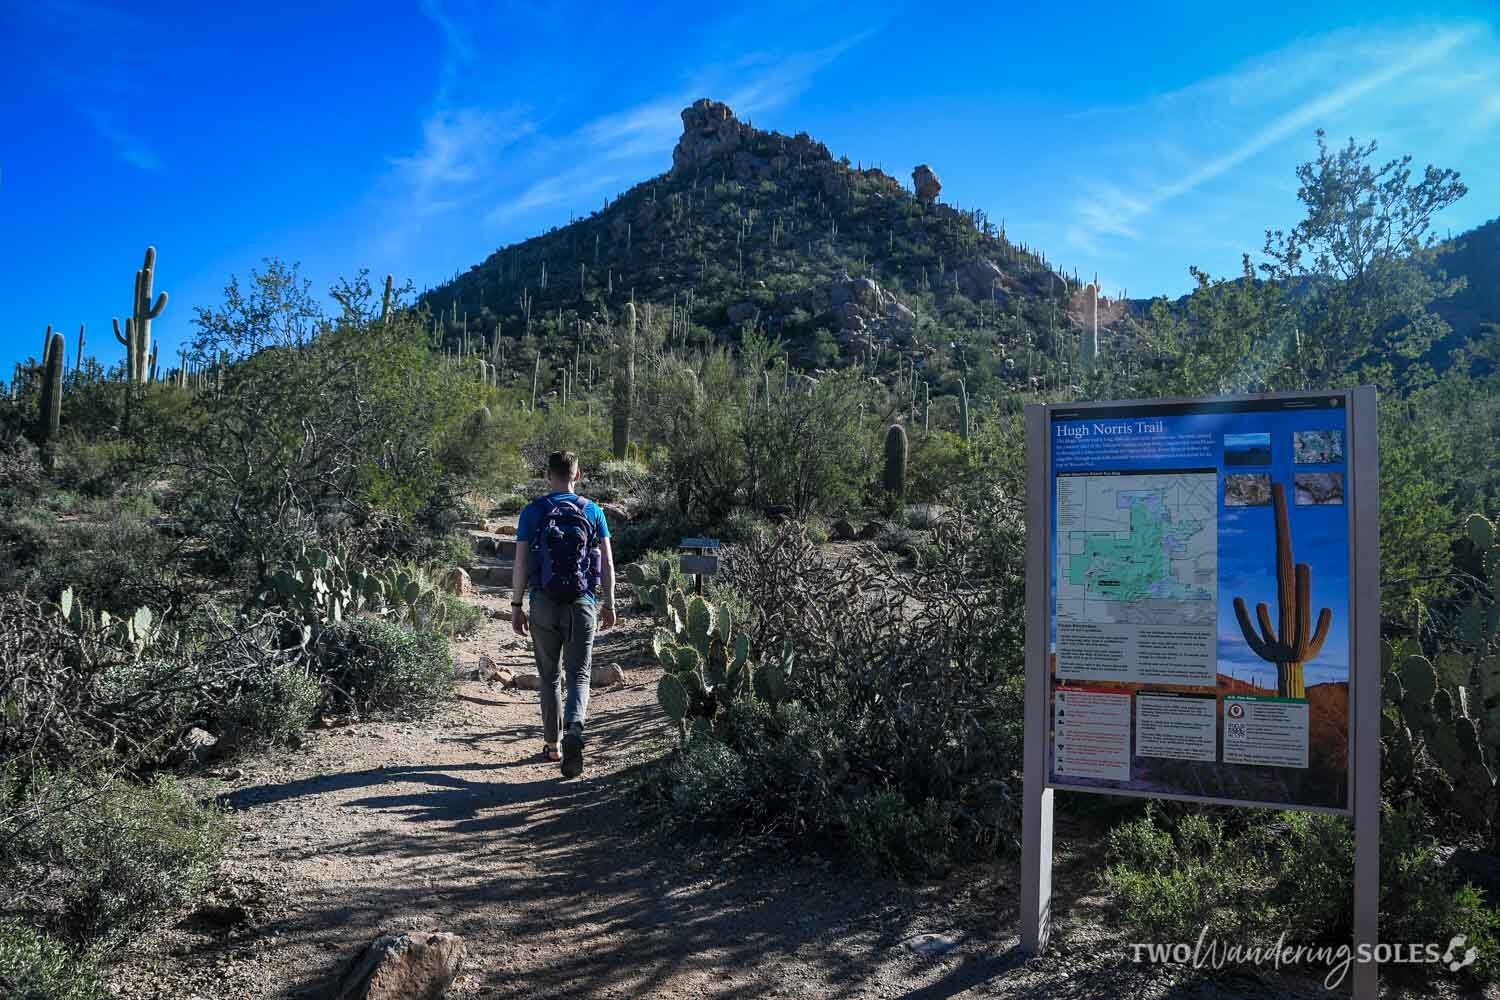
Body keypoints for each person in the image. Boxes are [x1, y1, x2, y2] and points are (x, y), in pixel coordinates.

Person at [511, 451, 616, 777]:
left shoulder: (533, 512)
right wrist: (609, 603)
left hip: (543, 601)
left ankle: (553, 745)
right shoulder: (593, 510)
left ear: (548, 475)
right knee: (579, 674)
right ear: (578, 475)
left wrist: (516, 605)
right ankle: (575, 730)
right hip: (583, 602)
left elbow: (521, 563)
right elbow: (608, 564)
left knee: (549, 676)